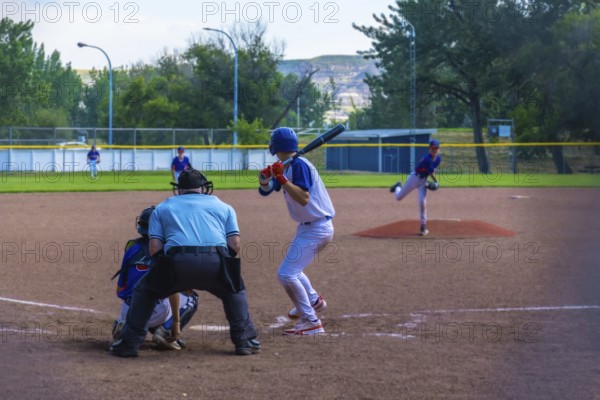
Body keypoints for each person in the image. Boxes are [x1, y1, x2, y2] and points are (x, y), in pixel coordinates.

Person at [110, 169, 259, 357]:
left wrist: (165, 270)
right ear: (203, 187)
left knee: (144, 292)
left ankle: (129, 344)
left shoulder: (163, 207)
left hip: (175, 262)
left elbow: (154, 247)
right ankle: (245, 341)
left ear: (178, 189)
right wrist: (220, 265)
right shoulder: (224, 206)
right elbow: (234, 245)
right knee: (234, 291)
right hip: (215, 260)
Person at [258, 127, 334, 336]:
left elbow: (303, 197)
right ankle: (313, 301)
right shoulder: (287, 165)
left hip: (317, 227)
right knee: (293, 270)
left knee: (286, 273)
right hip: (308, 227)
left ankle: (311, 322)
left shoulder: (298, 165)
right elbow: (266, 190)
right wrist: (265, 178)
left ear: (275, 146)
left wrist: (282, 179)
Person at [111, 206, 199, 351]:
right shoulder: (167, 250)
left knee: (138, 295)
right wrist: (176, 322)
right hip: (155, 310)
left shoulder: (131, 248)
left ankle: (124, 325)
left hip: (129, 310)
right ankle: (165, 331)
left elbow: (120, 289)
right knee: (191, 296)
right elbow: (172, 290)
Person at [389, 139, 442, 236]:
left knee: (423, 203)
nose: (434, 150)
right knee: (398, 197)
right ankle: (398, 186)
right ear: (429, 149)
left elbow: (432, 170)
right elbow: (431, 173)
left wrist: (433, 183)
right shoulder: (427, 158)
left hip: (423, 181)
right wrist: (436, 182)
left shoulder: (438, 159)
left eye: (436, 148)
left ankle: (423, 227)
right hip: (414, 178)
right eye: (432, 148)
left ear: (439, 149)